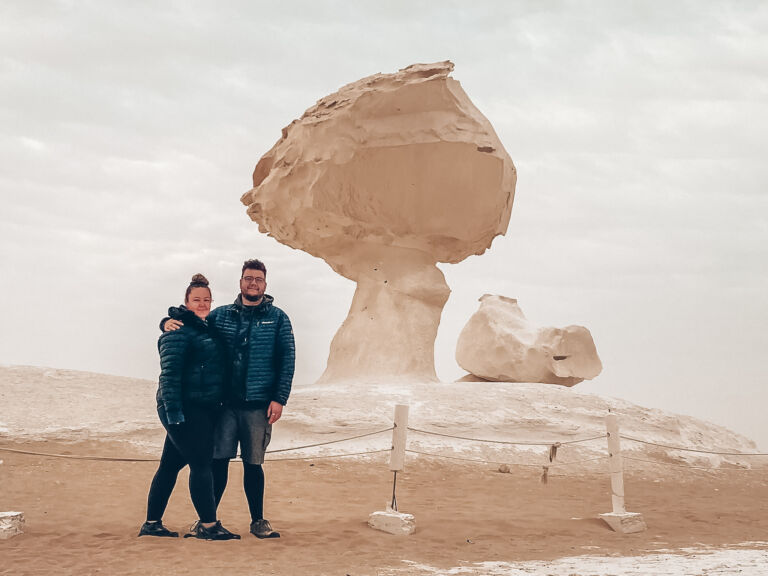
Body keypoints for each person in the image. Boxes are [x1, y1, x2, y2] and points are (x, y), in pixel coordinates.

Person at [163, 259, 295, 538]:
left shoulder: (278, 318)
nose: (253, 283)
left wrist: (279, 398)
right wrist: (165, 321)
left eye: (258, 279)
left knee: (253, 464)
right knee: (217, 462)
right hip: (223, 405)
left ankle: (258, 521)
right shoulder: (221, 315)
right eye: (248, 278)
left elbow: (287, 360)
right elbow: (191, 322)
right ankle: (208, 521)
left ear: (265, 285)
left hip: (258, 404)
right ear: (240, 282)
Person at [140, 274, 240, 540]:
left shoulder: (203, 329)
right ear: (186, 302)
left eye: (207, 299)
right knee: (202, 464)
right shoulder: (178, 333)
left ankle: (152, 524)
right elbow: (169, 377)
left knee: (169, 466)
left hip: (200, 408)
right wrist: (174, 415)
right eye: (196, 299)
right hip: (185, 408)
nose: (202, 303)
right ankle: (208, 526)